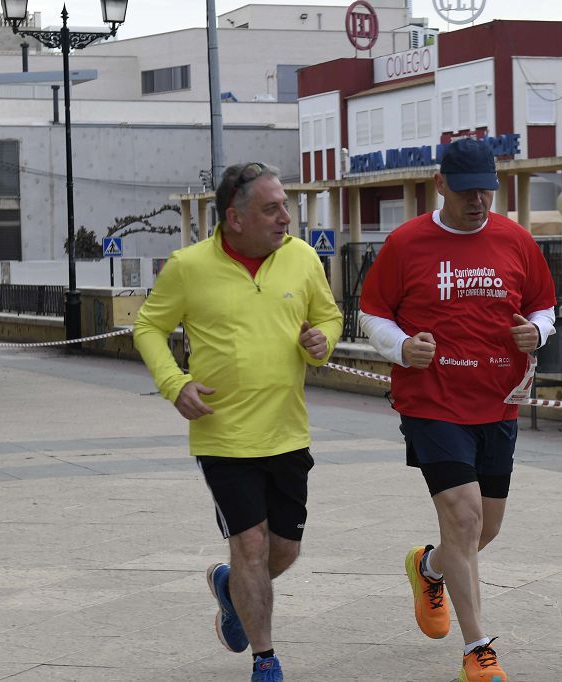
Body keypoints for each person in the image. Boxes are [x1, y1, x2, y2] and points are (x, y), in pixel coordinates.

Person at [133, 162, 343, 682]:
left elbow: (329, 316)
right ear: (235, 218)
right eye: (271, 209)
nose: (285, 218)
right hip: (223, 436)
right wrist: (174, 383)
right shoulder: (187, 266)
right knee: (250, 545)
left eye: (285, 206)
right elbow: (148, 326)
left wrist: (323, 340)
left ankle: (231, 589)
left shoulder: (302, 258)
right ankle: (264, 659)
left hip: (287, 431)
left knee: (283, 550)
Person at [358, 137, 557, 682]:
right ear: (441, 184)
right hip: (432, 400)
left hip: (498, 402)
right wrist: (402, 347)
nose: (477, 201)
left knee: (482, 529)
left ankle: (428, 567)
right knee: (465, 517)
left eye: (486, 191)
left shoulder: (516, 240)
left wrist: (536, 332)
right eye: (467, 191)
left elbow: (544, 305)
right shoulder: (406, 243)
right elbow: (371, 313)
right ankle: (477, 649)